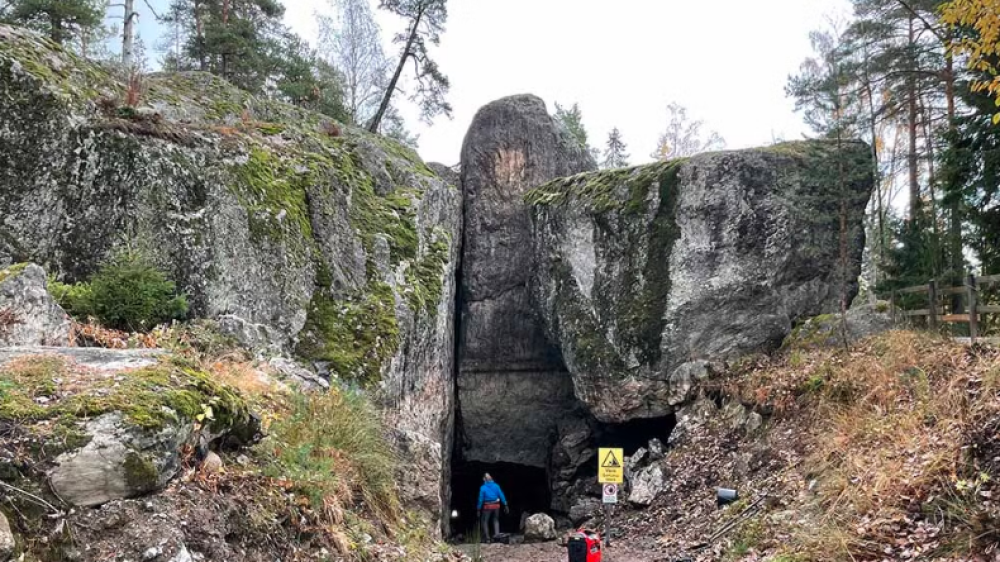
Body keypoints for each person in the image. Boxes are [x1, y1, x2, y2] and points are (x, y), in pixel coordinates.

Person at [476, 473, 508, 542]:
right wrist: (505, 504)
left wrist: (478, 509)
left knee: (485, 521)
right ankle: (497, 537)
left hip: (487, 507)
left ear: (485, 479)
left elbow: (480, 499)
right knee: (496, 520)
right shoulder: (496, 486)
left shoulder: (483, 487)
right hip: (496, 506)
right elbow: (501, 494)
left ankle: (487, 539)